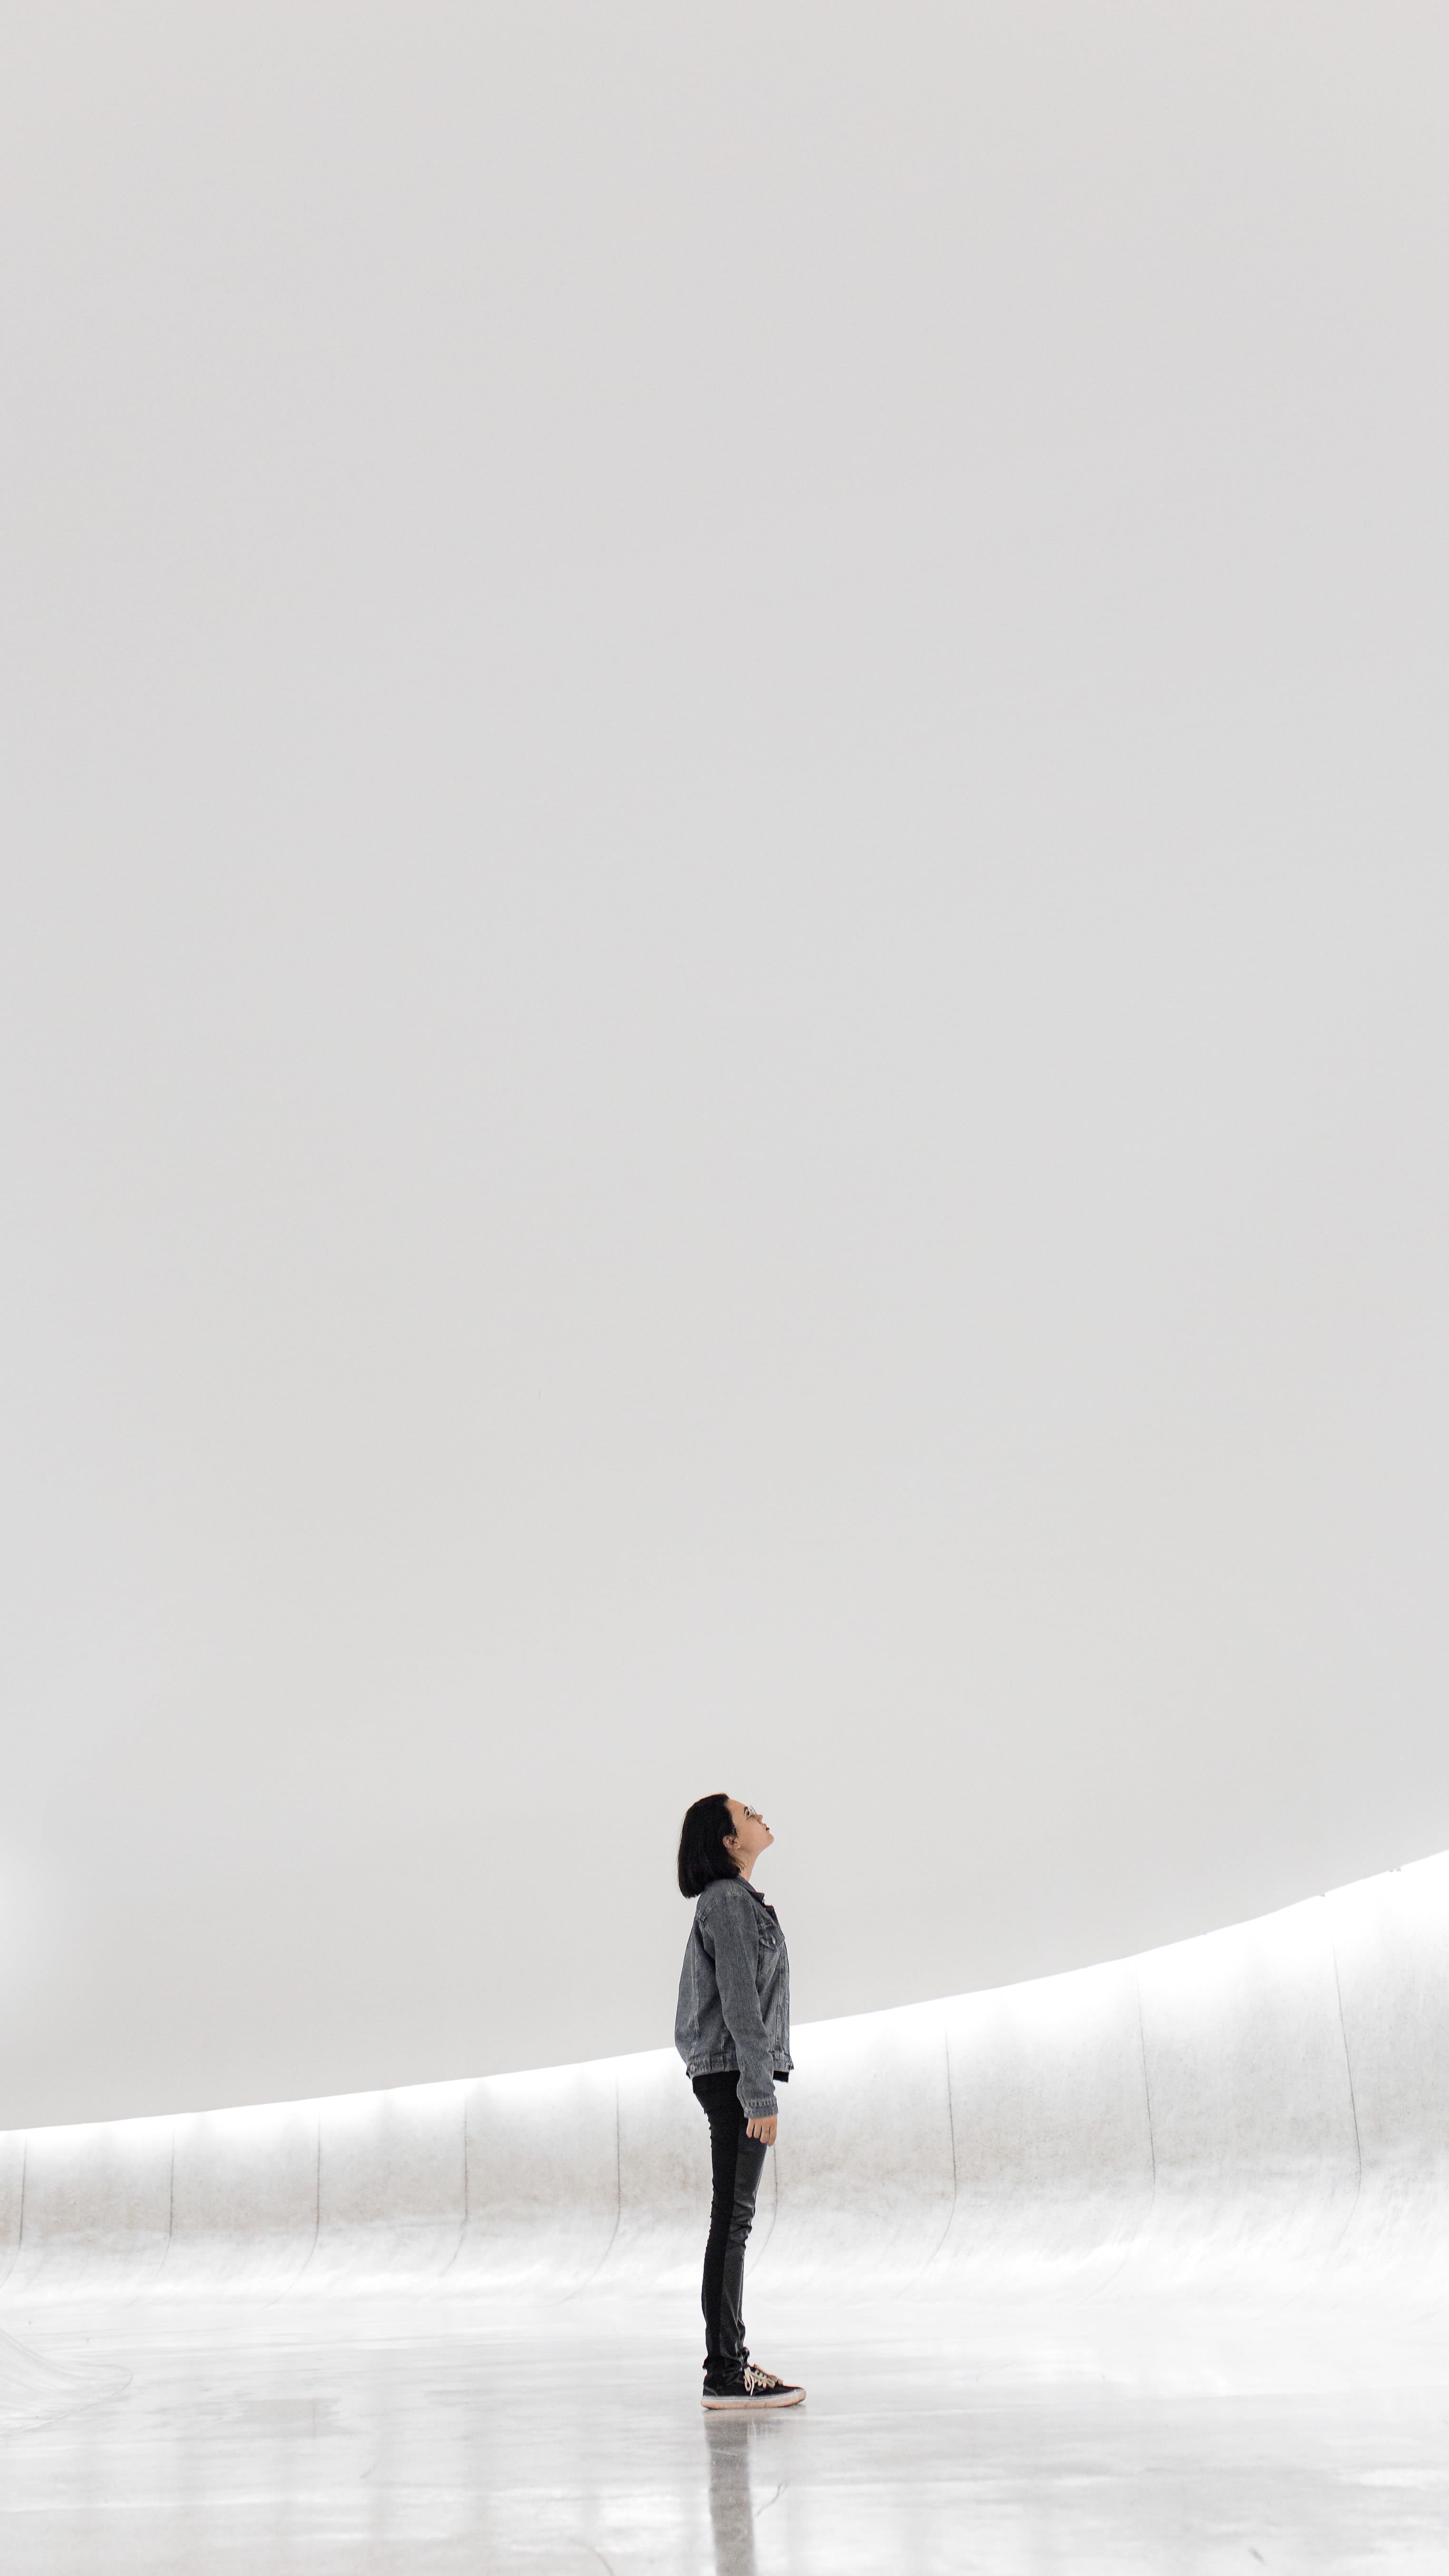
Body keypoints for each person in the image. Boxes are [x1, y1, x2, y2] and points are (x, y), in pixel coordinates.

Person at [674, 1793, 806, 2411]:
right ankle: (725, 2369)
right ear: (729, 1839)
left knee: (732, 2219)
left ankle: (728, 2363)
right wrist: (758, 2090)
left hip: (730, 2068)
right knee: (733, 2221)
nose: (761, 1815)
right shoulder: (726, 1901)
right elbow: (740, 2001)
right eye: (748, 1811)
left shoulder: (736, 1901)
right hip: (733, 2072)